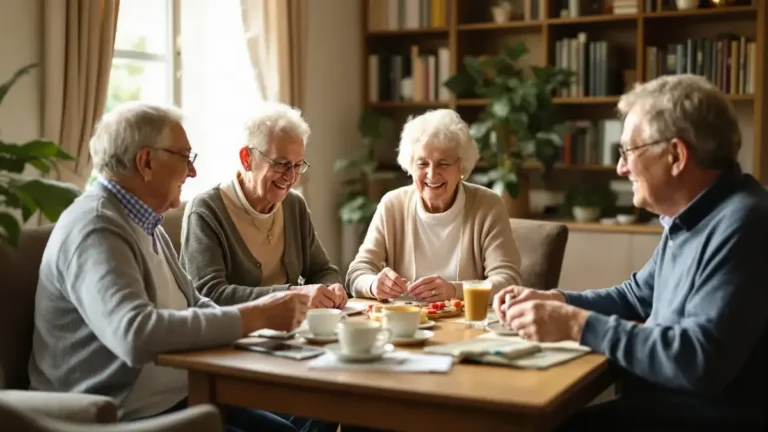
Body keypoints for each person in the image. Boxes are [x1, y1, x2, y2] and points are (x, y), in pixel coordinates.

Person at [27, 102, 336, 432]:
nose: (192, 172)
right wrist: (256, 316)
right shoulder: (96, 227)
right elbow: (135, 334)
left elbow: (197, 302)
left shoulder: (146, 222)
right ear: (146, 162)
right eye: (184, 158)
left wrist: (265, 333)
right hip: (119, 414)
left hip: (184, 395)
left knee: (311, 414)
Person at [493, 75, 767, 431]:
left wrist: (576, 324)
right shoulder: (691, 217)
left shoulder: (745, 224)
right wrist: (556, 300)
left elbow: (699, 360)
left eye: (628, 151)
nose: (621, 168)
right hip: (655, 408)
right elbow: (636, 295)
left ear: (675, 155)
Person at [180, 102, 347, 310]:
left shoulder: (294, 205)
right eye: (281, 164)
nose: (291, 176)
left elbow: (322, 270)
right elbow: (209, 294)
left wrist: (331, 288)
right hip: (233, 337)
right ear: (246, 158)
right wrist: (290, 294)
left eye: (297, 165)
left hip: (291, 333)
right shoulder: (206, 211)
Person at [347, 109, 522, 302]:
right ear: (410, 166)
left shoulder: (487, 205)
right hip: (406, 324)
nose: (431, 174)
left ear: (461, 167)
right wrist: (373, 285)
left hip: (467, 326)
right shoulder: (392, 205)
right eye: (422, 164)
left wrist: (455, 291)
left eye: (443, 164)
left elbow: (508, 280)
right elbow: (357, 272)